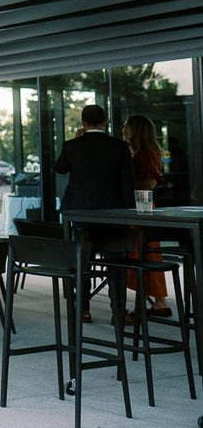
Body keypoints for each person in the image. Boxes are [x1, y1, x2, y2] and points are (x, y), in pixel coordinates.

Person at [54, 103, 134, 322]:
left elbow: (59, 168)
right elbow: (128, 183)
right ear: (105, 121)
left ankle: (83, 309)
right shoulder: (119, 147)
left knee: (83, 263)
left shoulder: (72, 146)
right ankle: (118, 312)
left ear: (83, 123)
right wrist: (130, 213)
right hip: (113, 213)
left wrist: (76, 139)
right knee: (116, 265)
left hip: (80, 215)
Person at [123, 113, 171, 318]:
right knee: (149, 253)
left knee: (139, 253)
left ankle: (144, 303)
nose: (123, 130)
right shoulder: (145, 153)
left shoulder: (145, 155)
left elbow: (149, 183)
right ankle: (159, 302)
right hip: (144, 206)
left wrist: (125, 186)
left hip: (140, 207)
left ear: (135, 130)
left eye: (126, 126)